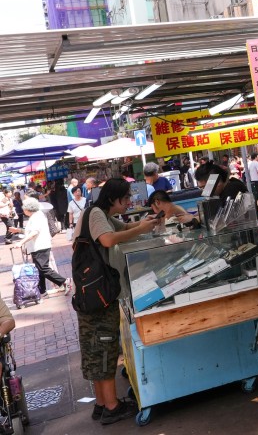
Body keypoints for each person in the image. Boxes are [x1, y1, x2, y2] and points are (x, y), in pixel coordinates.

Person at [72, 178, 157, 424]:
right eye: (126, 198)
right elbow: (109, 240)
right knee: (105, 348)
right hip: (100, 295)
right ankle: (112, 406)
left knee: (94, 349)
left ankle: (101, 403)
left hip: (90, 294)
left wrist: (146, 224)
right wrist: (141, 229)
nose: (130, 201)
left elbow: (122, 232)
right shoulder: (97, 214)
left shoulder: (101, 215)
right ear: (113, 199)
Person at [21, 197, 68, 296]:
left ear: (28, 209)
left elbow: (34, 232)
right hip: (37, 246)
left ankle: (64, 281)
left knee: (43, 268)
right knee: (39, 268)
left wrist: (21, 242)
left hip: (40, 245)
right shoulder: (35, 216)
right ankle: (42, 290)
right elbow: (32, 231)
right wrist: (19, 231)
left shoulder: (37, 216)